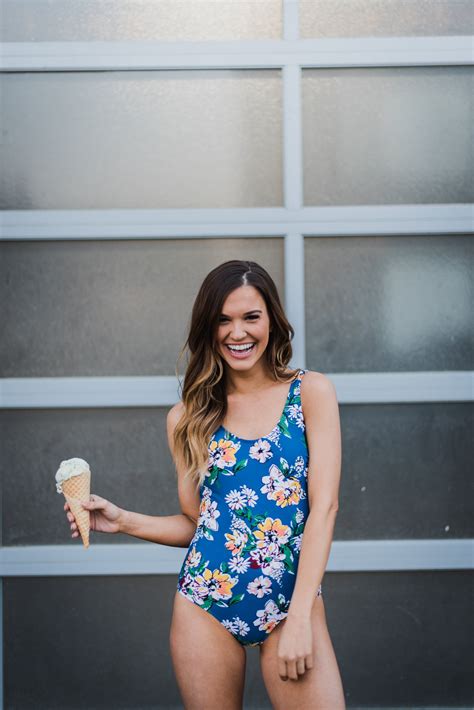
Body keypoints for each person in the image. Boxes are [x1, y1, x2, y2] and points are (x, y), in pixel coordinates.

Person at [64, 259, 345, 709]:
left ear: (271, 319)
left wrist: (299, 619)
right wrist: (121, 520)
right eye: (223, 320)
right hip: (205, 602)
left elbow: (325, 507)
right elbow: (199, 524)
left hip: (291, 604)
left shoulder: (310, 393)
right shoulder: (188, 418)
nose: (238, 333)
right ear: (207, 329)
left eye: (251, 317)